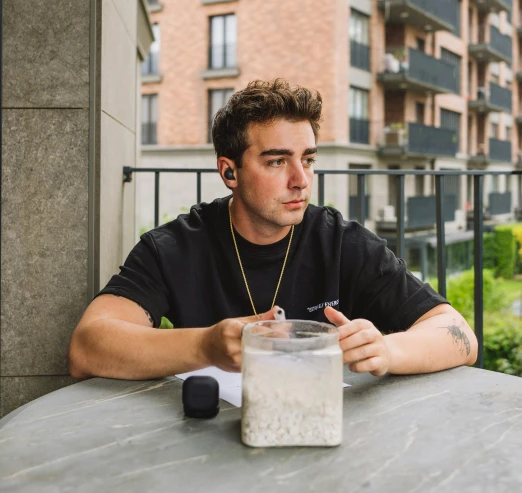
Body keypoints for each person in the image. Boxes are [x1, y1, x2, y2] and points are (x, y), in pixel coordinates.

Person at [68, 79, 477, 380]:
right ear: (229, 171)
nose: (301, 179)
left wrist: (388, 348)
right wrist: (205, 345)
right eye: (277, 161)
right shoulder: (176, 246)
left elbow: (459, 334)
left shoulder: (341, 241)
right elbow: (87, 347)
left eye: (309, 160)